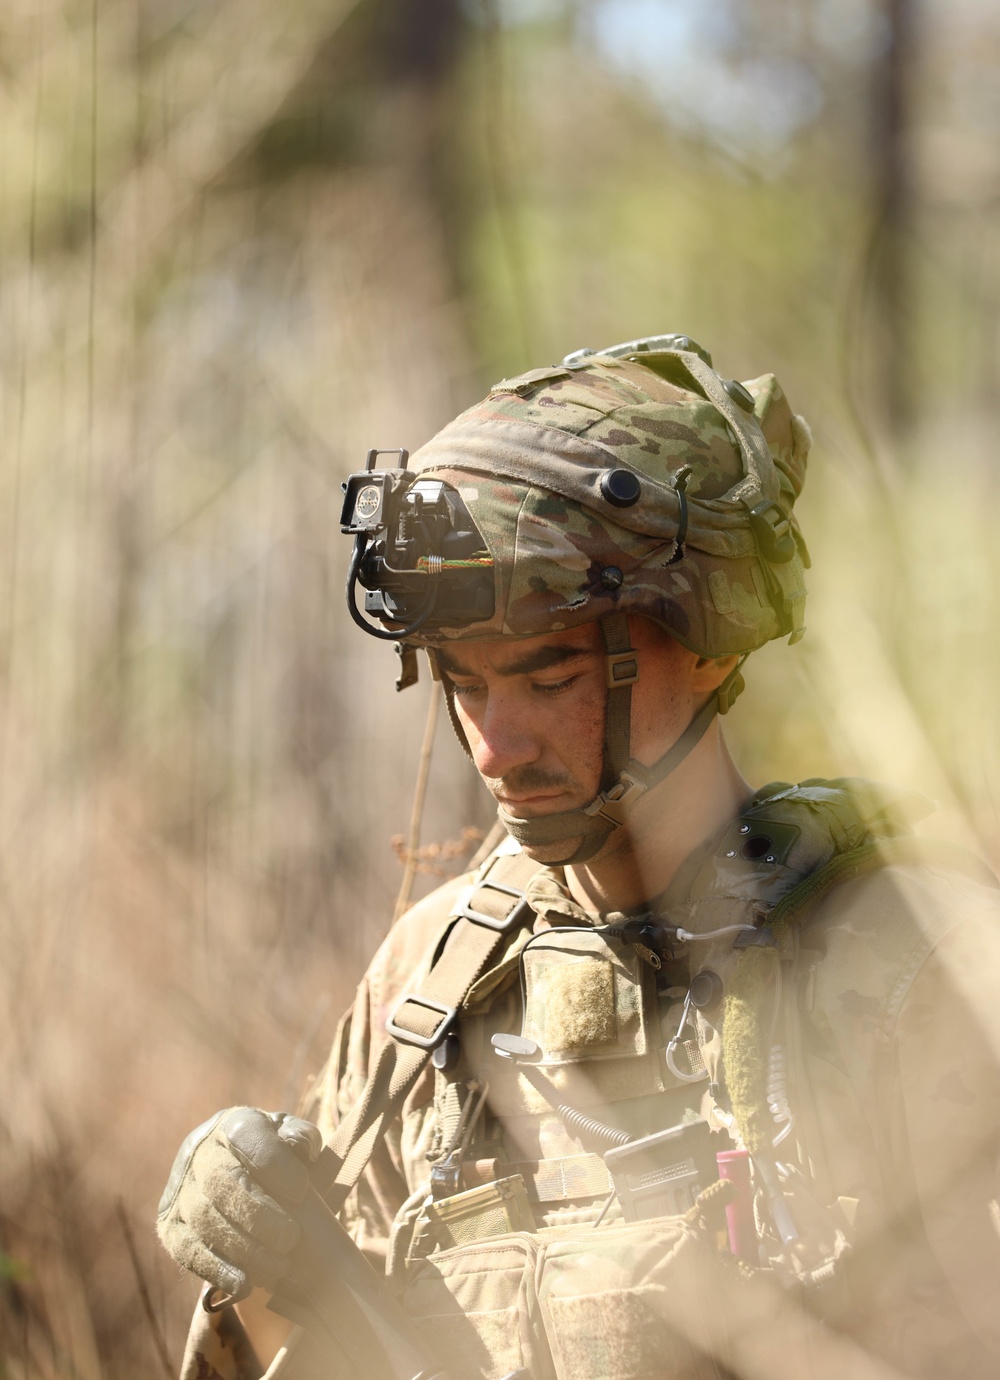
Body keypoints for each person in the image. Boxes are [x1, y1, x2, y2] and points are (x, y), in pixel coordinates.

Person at [158, 335, 1000, 1380]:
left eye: (548, 674)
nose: (495, 747)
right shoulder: (431, 986)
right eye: (463, 686)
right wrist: (260, 1271)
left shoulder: (922, 961)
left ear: (709, 635)